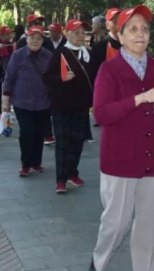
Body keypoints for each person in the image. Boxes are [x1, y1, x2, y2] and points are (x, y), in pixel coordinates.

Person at [90, 5, 154, 271]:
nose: (140, 34)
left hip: (151, 160)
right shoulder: (109, 70)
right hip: (119, 161)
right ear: (119, 36)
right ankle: (97, 265)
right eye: (132, 29)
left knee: (148, 226)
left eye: (144, 28)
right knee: (116, 224)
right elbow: (101, 113)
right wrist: (138, 99)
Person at [43, 19, 96, 193]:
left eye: (82, 33)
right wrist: (61, 79)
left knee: (77, 142)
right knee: (63, 143)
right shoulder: (60, 53)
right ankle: (61, 180)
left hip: (81, 107)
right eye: (76, 32)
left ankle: (73, 172)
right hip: (61, 107)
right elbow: (47, 78)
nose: (81, 36)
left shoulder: (88, 54)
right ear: (67, 34)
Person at [2, 25, 53, 177]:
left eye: (38, 38)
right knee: (26, 132)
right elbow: (9, 77)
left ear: (43, 40)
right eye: (32, 38)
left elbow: (53, 78)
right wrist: (5, 100)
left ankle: (36, 163)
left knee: (39, 133)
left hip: (43, 102)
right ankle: (25, 164)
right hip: (22, 102)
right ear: (27, 38)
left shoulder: (48, 56)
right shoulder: (18, 55)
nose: (35, 41)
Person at [0, 26, 16, 121]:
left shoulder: (11, 45)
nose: (9, 35)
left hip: (9, 71)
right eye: (7, 34)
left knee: (8, 91)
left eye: (10, 33)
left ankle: (7, 111)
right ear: (2, 35)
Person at [90, 8, 122, 76]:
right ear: (107, 25)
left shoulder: (130, 45)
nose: (118, 26)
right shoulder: (98, 48)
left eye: (120, 22)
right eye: (115, 22)